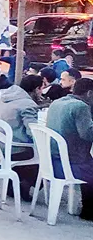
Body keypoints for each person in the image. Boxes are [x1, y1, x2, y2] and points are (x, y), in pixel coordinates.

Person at [45, 77, 93, 220]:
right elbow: (88, 134)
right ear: (89, 93)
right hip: (71, 164)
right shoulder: (81, 107)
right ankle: (88, 210)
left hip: (51, 160)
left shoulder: (57, 103)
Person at [0, 74, 44, 201]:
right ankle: (24, 185)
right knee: (46, 157)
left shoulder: (5, 97)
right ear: (37, 89)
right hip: (15, 148)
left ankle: (15, 182)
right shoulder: (28, 104)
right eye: (41, 89)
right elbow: (32, 131)